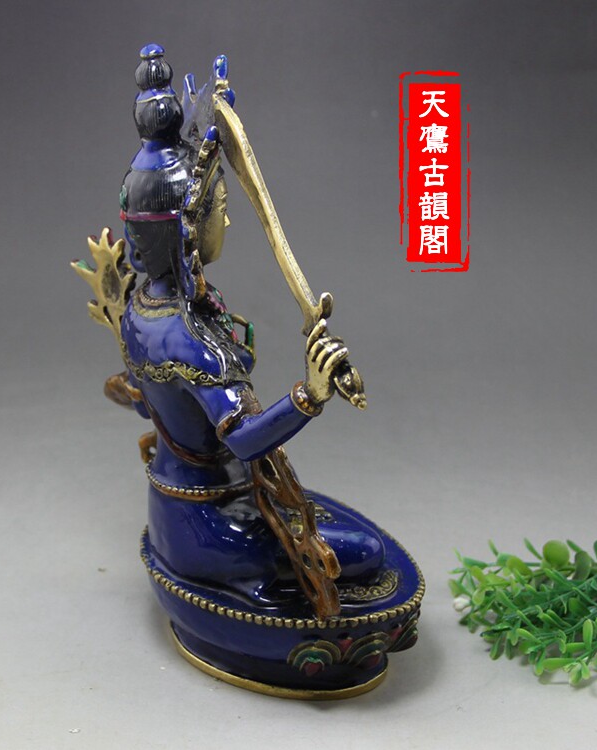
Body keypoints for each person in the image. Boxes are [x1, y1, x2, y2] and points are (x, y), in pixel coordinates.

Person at [102, 44, 387, 612]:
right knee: (368, 552)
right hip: (213, 525)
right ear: (186, 227)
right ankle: (241, 582)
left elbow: (152, 402)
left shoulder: (141, 309)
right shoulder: (191, 338)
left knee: (334, 529)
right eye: (219, 206)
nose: (228, 219)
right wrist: (309, 394)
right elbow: (243, 439)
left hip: (172, 507)